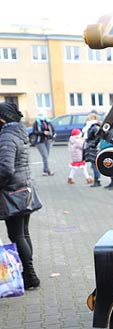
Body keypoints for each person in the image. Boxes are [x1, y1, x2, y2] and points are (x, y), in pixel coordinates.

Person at [0, 102, 41, 290]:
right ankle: (29, 274)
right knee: (23, 233)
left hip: (12, 192)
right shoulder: (18, 133)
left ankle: (30, 275)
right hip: (24, 189)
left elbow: (6, 168)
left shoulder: (7, 136)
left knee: (16, 235)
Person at [82, 113, 110, 188]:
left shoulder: (94, 127)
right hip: (91, 148)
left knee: (95, 165)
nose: (87, 119)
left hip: (93, 149)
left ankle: (97, 180)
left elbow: (98, 137)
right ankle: (96, 180)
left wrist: (93, 144)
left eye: (89, 118)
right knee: (93, 165)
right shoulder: (91, 126)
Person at [31, 111, 55, 176]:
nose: (41, 116)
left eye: (42, 115)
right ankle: (47, 170)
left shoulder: (48, 122)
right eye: (40, 115)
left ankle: (45, 171)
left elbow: (52, 129)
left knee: (46, 156)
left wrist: (52, 136)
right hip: (40, 141)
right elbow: (34, 132)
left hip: (48, 140)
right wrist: (43, 132)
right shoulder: (36, 123)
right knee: (45, 155)